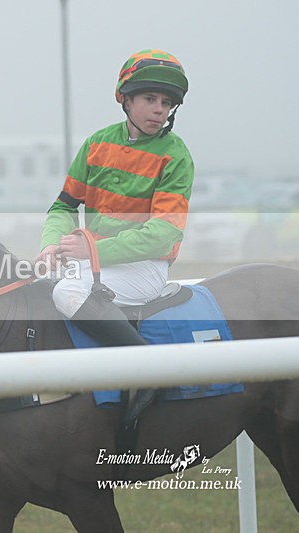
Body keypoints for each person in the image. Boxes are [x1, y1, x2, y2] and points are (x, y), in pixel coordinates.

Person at [36, 49, 194, 425]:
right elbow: (62, 207)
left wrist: (92, 249)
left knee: (68, 292)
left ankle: (148, 372)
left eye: (167, 103)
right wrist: (50, 245)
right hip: (96, 261)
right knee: (36, 285)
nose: (160, 110)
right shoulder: (96, 144)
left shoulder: (176, 156)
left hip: (144, 267)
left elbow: (163, 234)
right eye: (150, 99)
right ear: (125, 99)